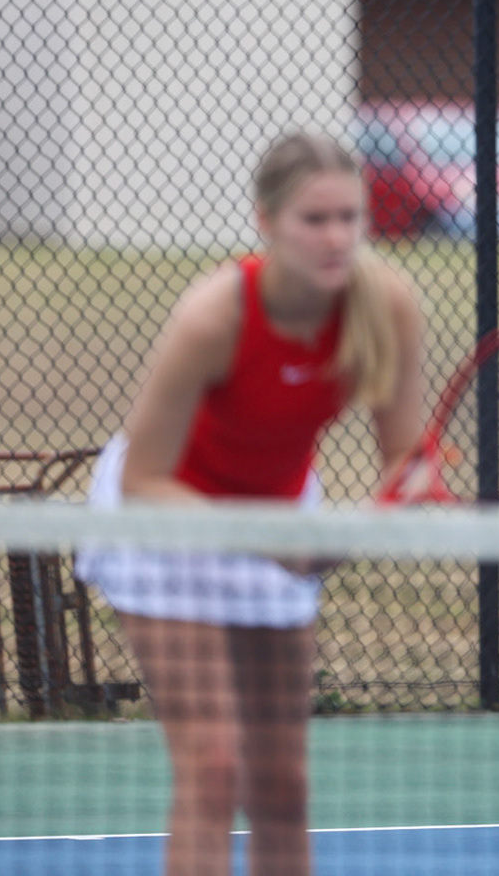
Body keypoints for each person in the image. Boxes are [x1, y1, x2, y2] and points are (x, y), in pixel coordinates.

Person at [76, 132, 427, 876]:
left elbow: (407, 464)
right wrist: (277, 543)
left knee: (283, 783)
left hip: (277, 511)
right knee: (213, 767)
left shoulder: (386, 305)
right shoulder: (213, 317)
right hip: (163, 520)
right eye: (314, 219)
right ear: (266, 221)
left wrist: (385, 512)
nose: (336, 238)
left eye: (349, 218)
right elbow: (144, 482)